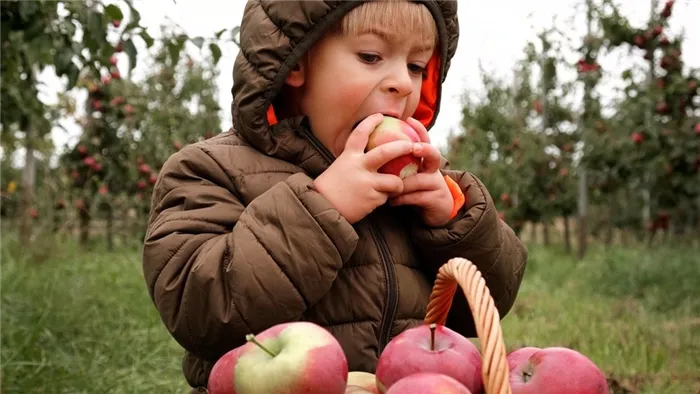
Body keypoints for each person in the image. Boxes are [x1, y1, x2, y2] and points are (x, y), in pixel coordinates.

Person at [142, 0, 528, 392]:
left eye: (415, 65)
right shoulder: (212, 169)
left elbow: (485, 306)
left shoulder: (418, 187)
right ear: (296, 61)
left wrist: (451, 222)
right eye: (371, 56)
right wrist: (323, 207)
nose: (404, 83)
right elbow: (201, 311)